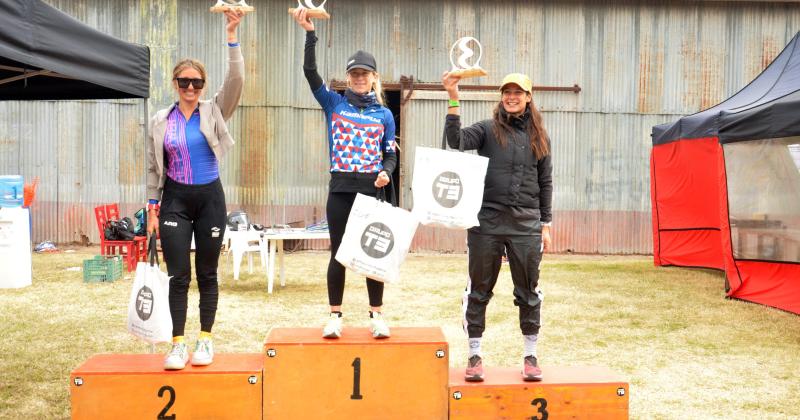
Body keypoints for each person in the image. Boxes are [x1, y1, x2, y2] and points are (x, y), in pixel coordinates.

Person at [146, 10, 245, 370]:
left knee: (206, 273)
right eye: (184, 82)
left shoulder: (215, 110)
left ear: (203, 86)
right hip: (174, 199)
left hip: (209, 199)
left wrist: (232, 37)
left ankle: (205, 341)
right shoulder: (160, 120)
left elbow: (236, 79)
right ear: (174, 83)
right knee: (178, 276)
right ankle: (177, 345)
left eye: (197, 83)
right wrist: (152, 208)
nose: (191, 88)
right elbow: (153, 168)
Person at [293, 8, 397, 339]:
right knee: (339, 252)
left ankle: (376, 316)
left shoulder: (384, 114)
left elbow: (390, 155)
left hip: (370, 190)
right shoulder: (334, 104)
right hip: (340, 190)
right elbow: (310, 73)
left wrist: (385, 171)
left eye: (365, 74)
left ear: (374, 78)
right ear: (348, 76)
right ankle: (335, 316)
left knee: (370, 255)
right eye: (354, 74)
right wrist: (310, 34)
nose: (359, 78)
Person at [442, 71, 553, 382]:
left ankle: (530, 355)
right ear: (502, 96)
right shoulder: (487, 130)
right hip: (486, 222)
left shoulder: (540, 137)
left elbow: (545, 182)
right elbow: (457, 140)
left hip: (526, 223)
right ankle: (474, 354)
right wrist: (453, 96)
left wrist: (545, 223)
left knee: (528, 291)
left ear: (529, 97)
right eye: (507, 91)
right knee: (478, 291)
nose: (512, 96)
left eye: (519, 92)